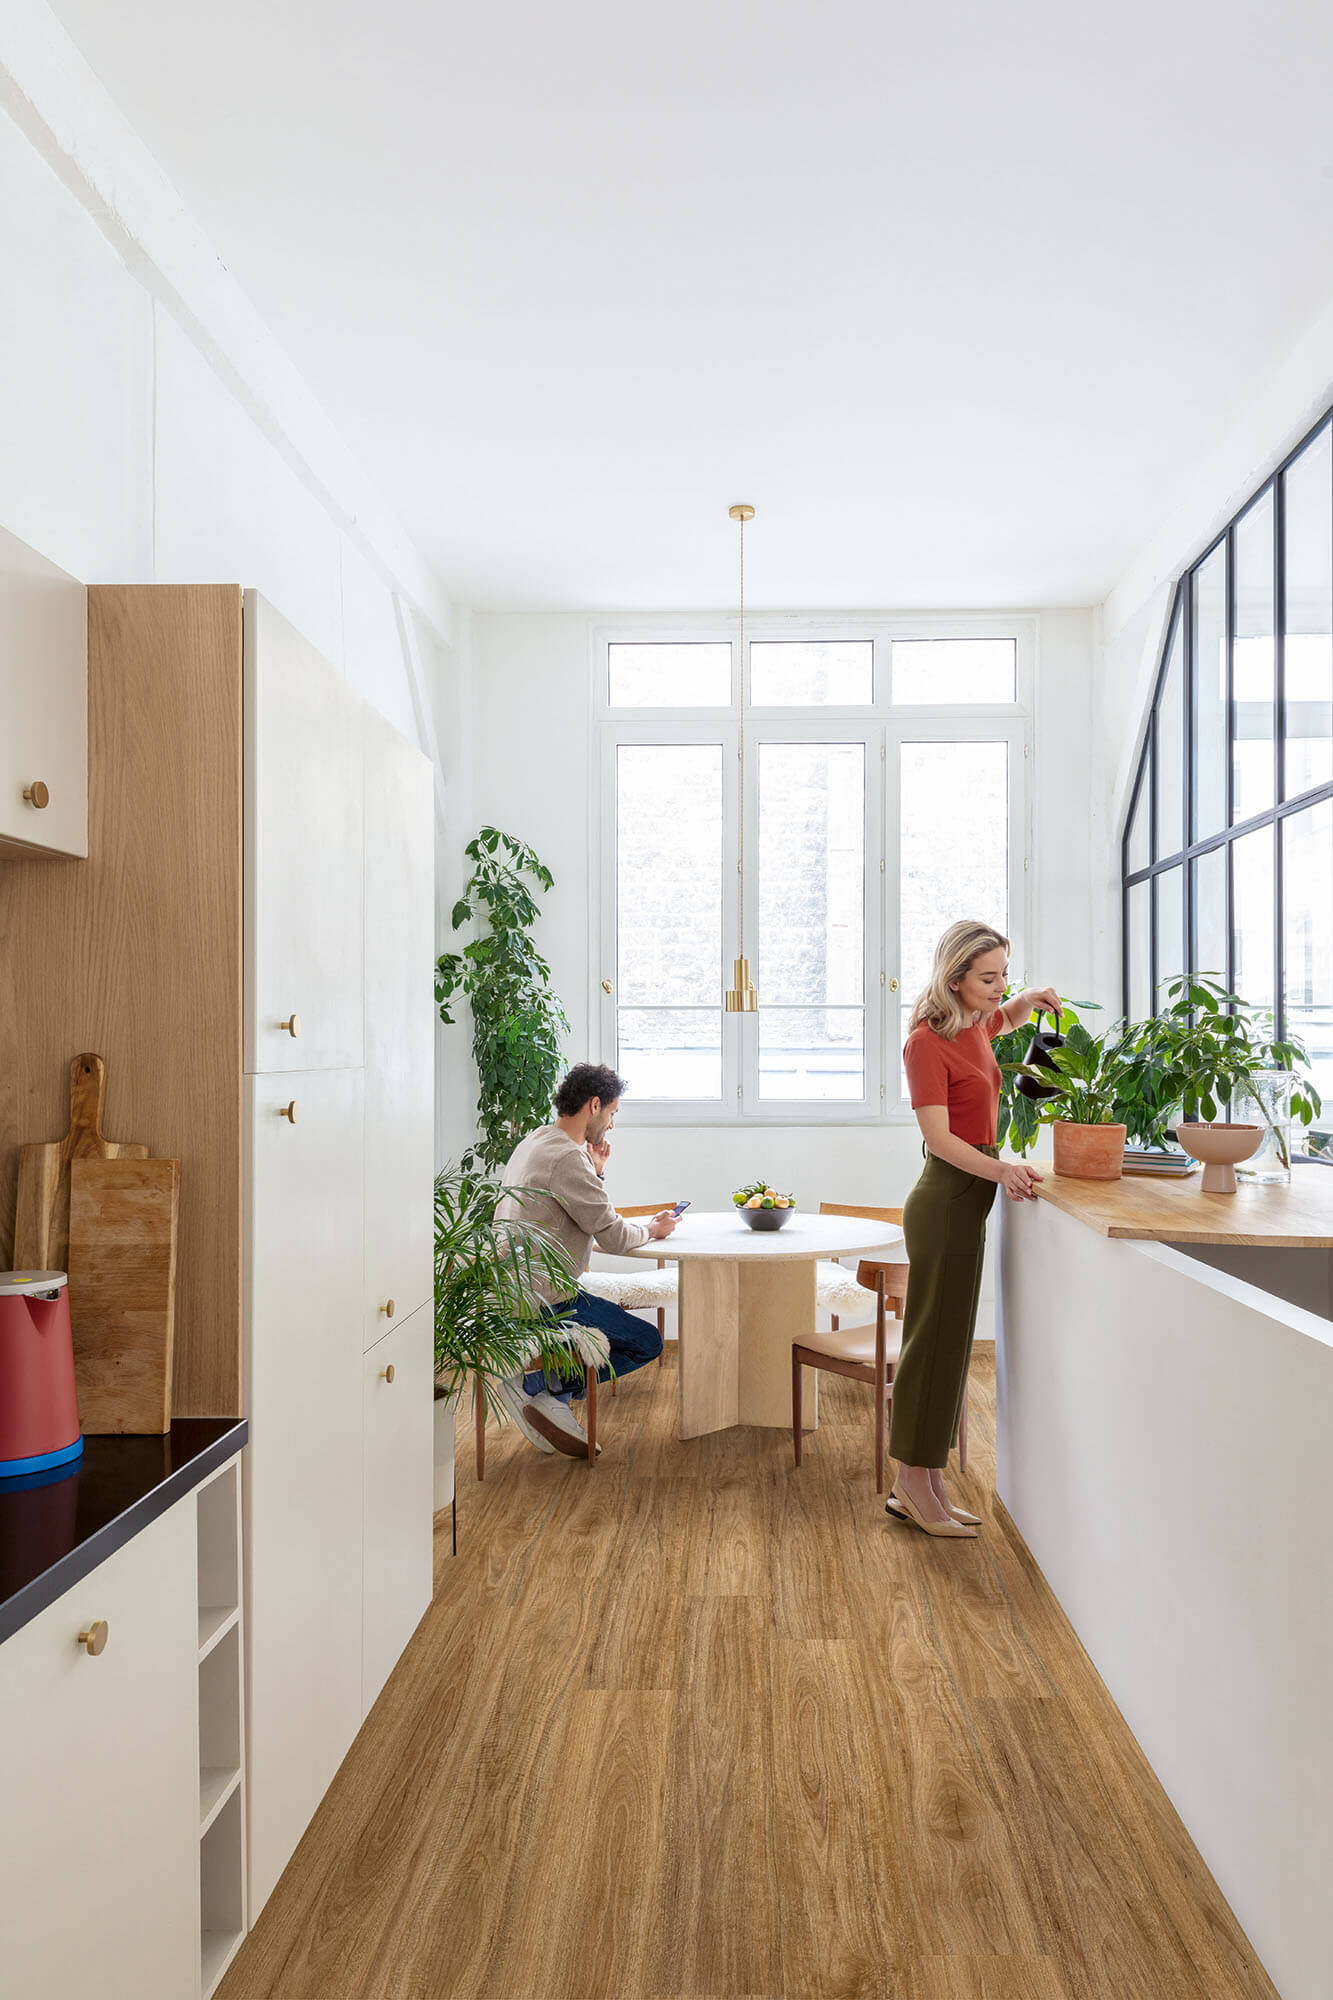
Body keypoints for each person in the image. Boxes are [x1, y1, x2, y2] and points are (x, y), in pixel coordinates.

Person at [886, 921, 1059, 1538]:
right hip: (946, 1201)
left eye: (1004, 973)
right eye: (987, 977)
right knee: (930, 1344)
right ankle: (910, 1480)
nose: (998, 986)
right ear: (954, 979)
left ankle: (925, 1481)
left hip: (967, 1202)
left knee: (951, 1344)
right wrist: (1003, 1168)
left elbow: (1003, 1020)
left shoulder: (975, 1025)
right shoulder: (926, 1045)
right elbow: (939, 1138)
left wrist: (1028, 997)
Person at [494, 1062, 678, 1458]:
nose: (611, 1125)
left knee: (629, 1334)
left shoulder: (536, 1142)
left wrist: (595, 1173)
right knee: (647, 1342)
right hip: (546, 1304)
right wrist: (655, 1230)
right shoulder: (568, 1159)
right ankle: (540, 1387)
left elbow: (576, 1213)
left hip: (512, 1293)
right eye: (611, 1113)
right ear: (594, 1105)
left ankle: (549, 1392)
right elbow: (613, 1236)